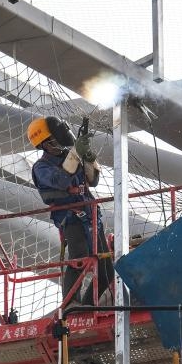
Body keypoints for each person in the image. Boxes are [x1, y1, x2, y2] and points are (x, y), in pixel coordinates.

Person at [28, 116, 114, 307]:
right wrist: (76, 153)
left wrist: (89, 157)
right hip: (70, 217)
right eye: (54, 139)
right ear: (45, 144)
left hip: (91, 216)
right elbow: (62, 181)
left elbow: (92, 180)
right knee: (79, 257)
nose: (59, 142)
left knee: (106, 266)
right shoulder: (41, 167)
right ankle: (70, 305)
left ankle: (87, 306)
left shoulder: (71, 156)